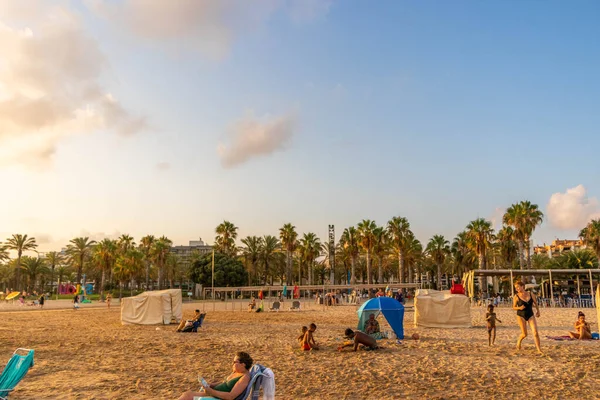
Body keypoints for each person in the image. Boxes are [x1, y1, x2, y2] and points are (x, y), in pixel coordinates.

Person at [178, 352, 253, 400]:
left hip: (218, 397)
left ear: (243, 364)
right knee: (187, 394)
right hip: (215, 394)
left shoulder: (244, 378)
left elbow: (231, 396)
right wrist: (211, 385)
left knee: (187, 396)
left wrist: (211, 391)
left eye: (234, 362)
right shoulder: (237, 372)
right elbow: (225, 383)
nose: (232, 364)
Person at [512, 280, 541, 354]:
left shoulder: (531, 294)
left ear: (522, 286)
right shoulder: (516, 296)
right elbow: (514, 307)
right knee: (524, 334)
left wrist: (538, 311)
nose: (517, 289)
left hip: (530, 315)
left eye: (518, 287)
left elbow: (535, 303)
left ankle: (539, 349)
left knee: (535, 333)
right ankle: (519, 341)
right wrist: (519, 308)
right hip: (521, 315)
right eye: (516, 288)